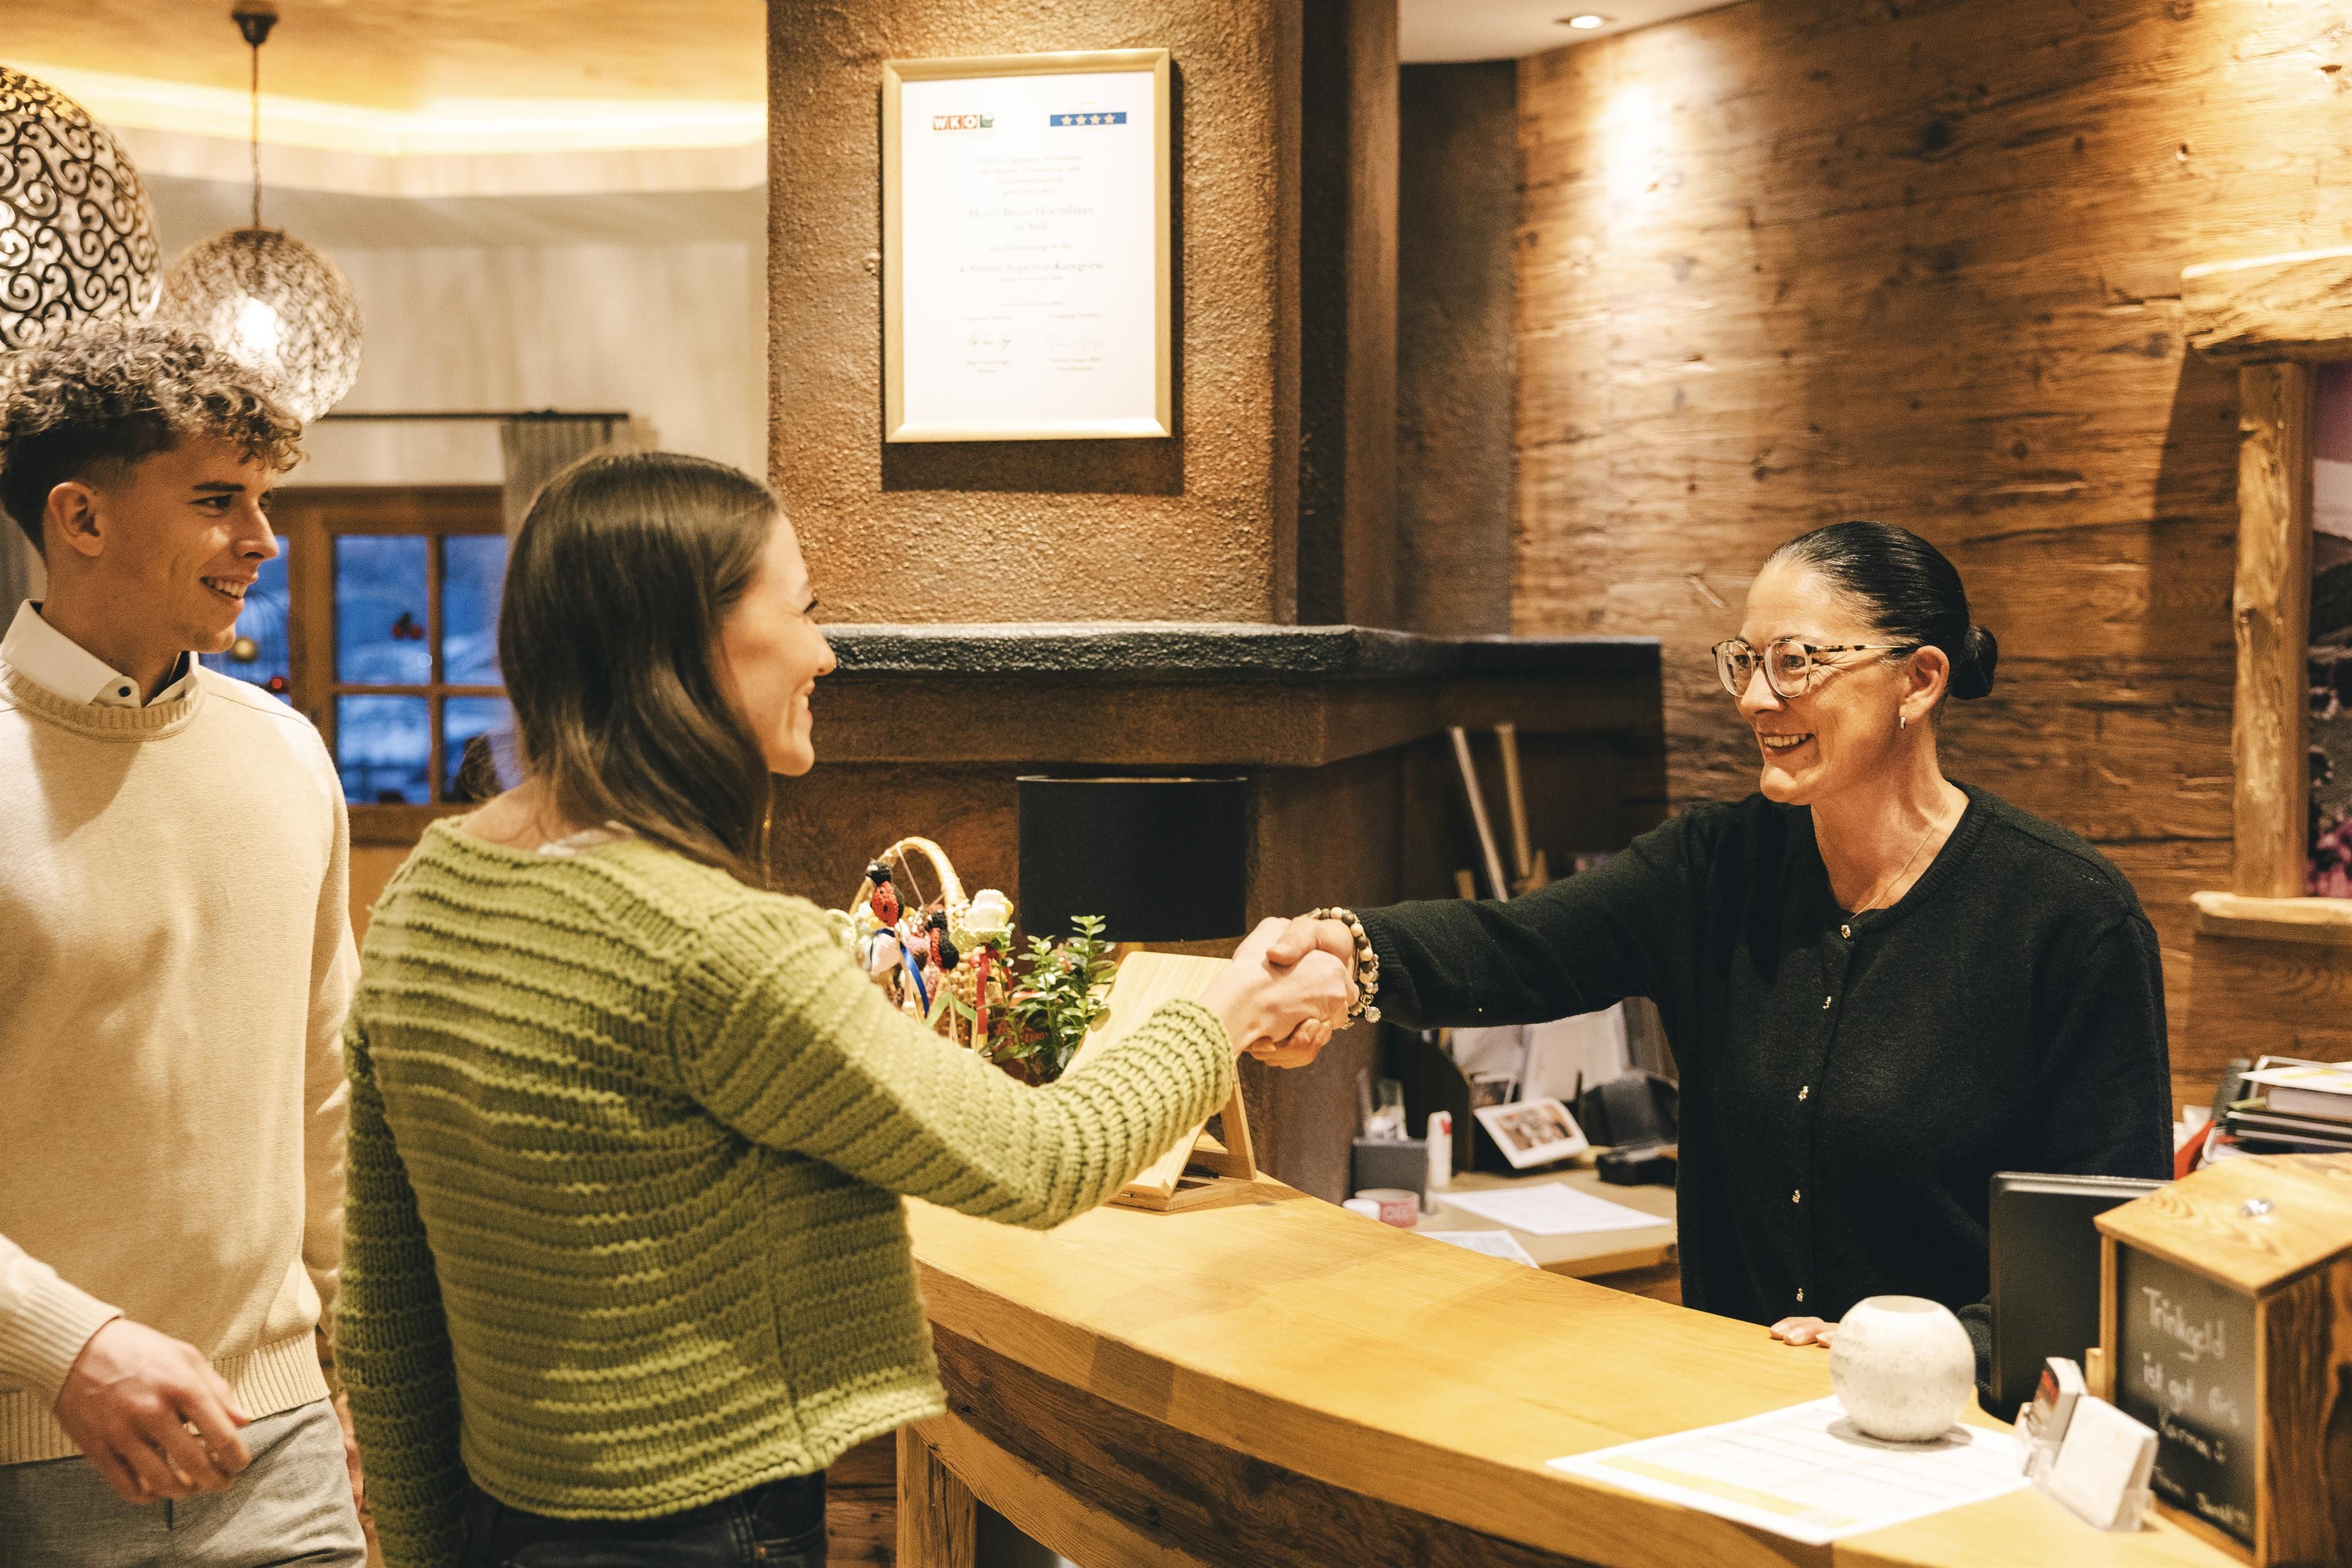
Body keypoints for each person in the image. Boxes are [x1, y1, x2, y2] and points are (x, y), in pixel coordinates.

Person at [336, 452, 1352, 1568]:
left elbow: (388, 1316)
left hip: (503, 1525)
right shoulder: (711, 942)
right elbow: (1042, 1156)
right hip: (705, 1535)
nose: (826, 651)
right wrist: (1229, 1008)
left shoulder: (430, 893)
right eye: (805, 608)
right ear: (695, 644)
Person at [1267, 521, 2172, 1394]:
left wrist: (1930, 1350)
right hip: (1734, 1409)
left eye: (1796, 662)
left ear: (1920, 679)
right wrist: (1346, 951)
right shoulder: (1714, 867)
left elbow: (2105, 1236)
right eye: (1745, 661)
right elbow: (1523, 944)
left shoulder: (2066, 915)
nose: (1753, 700)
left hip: (1959, 1438)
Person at [0, 321, 366, 1563]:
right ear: (79, 518)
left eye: (262, 500)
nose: (262, 540)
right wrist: (62, 1341)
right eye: (220, 501)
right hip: (28, 1449)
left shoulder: (283, 753)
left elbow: (331, 1095)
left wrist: (357, 1374)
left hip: (288, 1446)